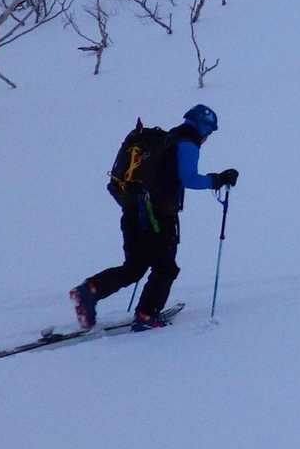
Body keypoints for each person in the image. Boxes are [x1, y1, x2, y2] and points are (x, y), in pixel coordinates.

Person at [69, 104, 239, 332]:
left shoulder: (166, 139)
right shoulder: (187, 143)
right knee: (166, 267)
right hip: (157, 216)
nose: (208, 136)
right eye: (209, 130)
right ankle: (146, 314)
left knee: (134, 266)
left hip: (133, 209)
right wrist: (217, 180)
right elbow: (188, 178)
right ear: (202, 127)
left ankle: (89, 290)